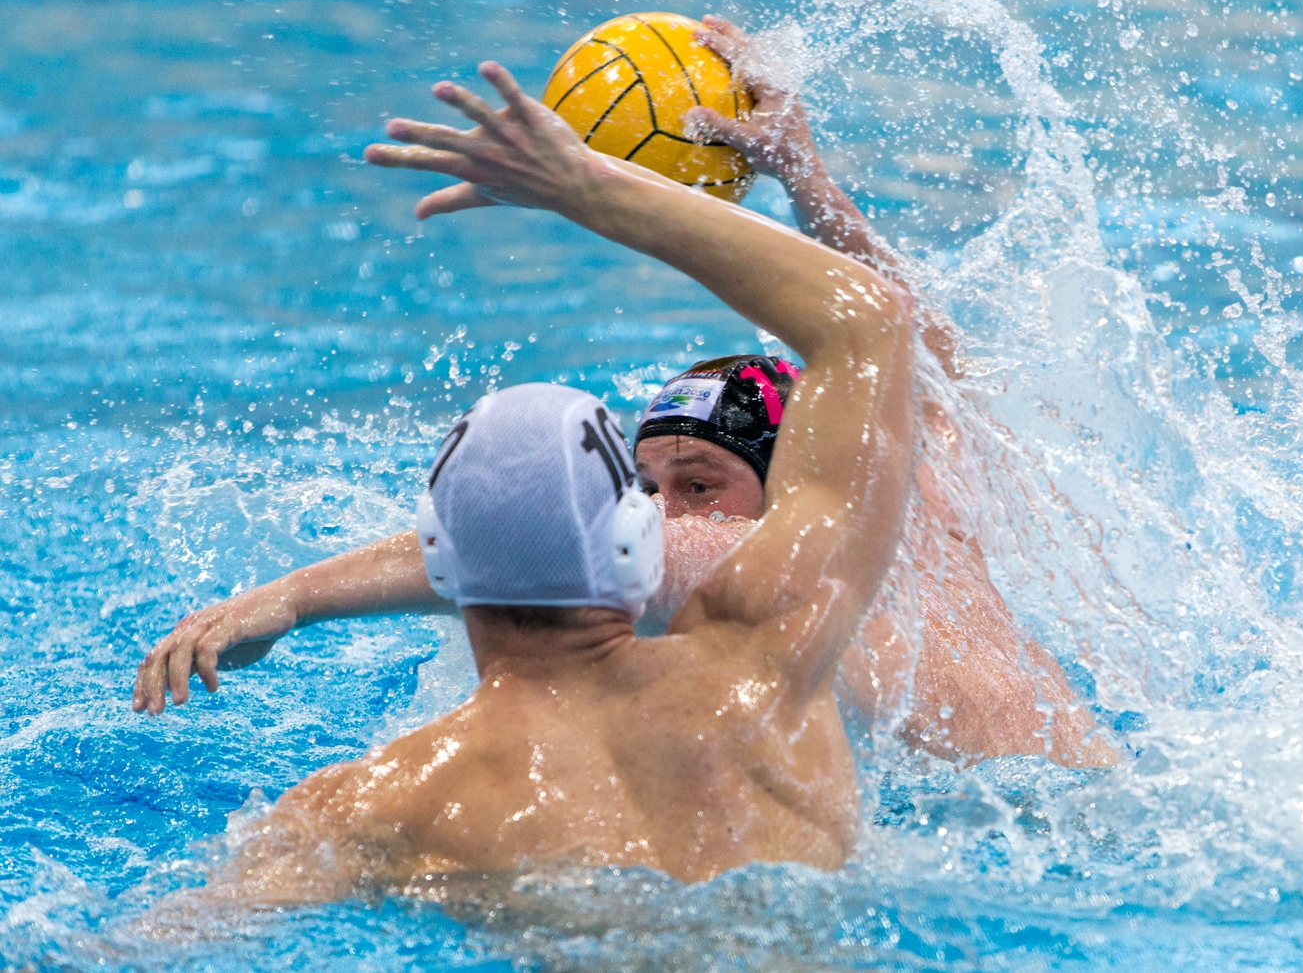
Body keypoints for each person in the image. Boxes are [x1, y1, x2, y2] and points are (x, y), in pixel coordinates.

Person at [132, 16, 1113, 769]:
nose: (664, 514)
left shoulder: (780, 566)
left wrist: (286, 598)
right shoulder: (916, 516)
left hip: (1047, 830)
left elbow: (543, 538)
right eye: (647, 484)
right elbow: (916, 352)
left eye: (700, 481)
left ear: (790, 476)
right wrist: (802, 179)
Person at [151, 56, 914, 898]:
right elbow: (869, 320)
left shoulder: (375, 802)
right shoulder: (770, 658)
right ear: (635, 543)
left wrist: (293, 597)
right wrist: (582, 186)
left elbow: (160, 942)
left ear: (442, 561)